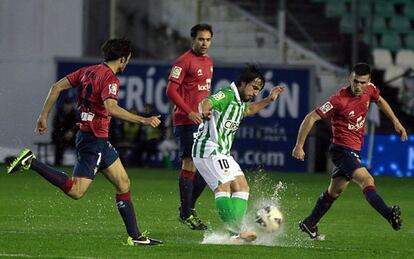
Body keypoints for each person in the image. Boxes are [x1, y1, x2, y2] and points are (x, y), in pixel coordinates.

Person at [7, 38, 163, 246]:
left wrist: (43, 116)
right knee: (76, 191)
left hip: (95, 138)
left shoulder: (88, 71)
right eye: (127, 60)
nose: (127, 64)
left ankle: (135, 237)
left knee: (123, 183)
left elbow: (56, 87)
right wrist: (143, 119)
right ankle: (31, 162)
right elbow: (111, 108)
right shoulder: (110, 79)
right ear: (122, 59)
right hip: (93, 139)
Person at [292, 63, 407, 240]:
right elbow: (311, 117)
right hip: (341, 150)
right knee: (367, 180)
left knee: (334, 192)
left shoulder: (370, 90)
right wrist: (299, 145)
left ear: (368, 82)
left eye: (362, 82)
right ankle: (389, 214)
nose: (358, 86)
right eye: (355, 81)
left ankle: (310, 222)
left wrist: (396, 121)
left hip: (354, 150)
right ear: (350, 79)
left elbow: (380, 100)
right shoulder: (339, 99)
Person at [192, 65, 285, 242]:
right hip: (208, 147)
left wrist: (269, 100)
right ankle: (236, 230)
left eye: (259, 90)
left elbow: (248, 110)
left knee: (242, 187)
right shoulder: (227, 94)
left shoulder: (240, 102)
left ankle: (233, 232)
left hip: (223, 152)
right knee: (224, 185)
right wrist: (204, 110)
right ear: (242, 83)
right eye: (254, 88)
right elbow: (207, 101)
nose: (255, 93)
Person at [165, 23, 213, 230]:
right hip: (186, 121)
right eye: (201, 39)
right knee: (190, 165)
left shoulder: (209, 62)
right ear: (192, 40)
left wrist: (208, 110)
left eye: (208, 39)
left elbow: (203, 93)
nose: (204, 43)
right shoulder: (183, 62)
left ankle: (187, 210)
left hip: (203, 121)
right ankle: (186, 212)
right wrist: (189, 111)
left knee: (206, 169)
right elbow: (171, 91)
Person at [51, 97, 78, 166]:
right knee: (59, 142)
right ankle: (58, 163)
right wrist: (64, 133)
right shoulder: (59, 114)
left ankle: (80, 162)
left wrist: (72, 132)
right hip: (61, 136)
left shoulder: (75, 114)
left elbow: (78, 125)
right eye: (66, 105)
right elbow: (56, 126)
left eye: (69, 105)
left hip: (73, 137)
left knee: (80, 143)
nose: (68, 107)